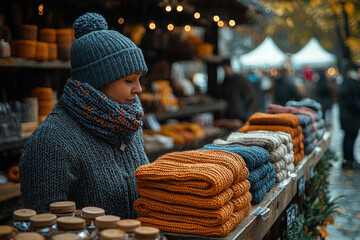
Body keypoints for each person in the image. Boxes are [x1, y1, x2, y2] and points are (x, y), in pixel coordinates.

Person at [19, 12, 149, 218]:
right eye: (129, 80)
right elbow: (44, 226)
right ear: (99, 81)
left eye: (139, 79)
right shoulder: (51, 142)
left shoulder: (128, 125)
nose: (139, 89)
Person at [220, 59, 258, 123]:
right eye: (223, 69)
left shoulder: (241, 80)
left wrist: (248, 117)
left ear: (230, 67)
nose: (225, 71)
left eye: (225, 68)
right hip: (228, 116)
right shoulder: (225, 81)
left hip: (240, 117)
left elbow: (251, 98)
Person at [337, 64, 360, 169]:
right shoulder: (352, 84)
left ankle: (348, 160)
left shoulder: (346, 83)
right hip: (351, 117)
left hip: (347, 116)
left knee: (348, 138)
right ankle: (349, 161)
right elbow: (354, 102)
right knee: (350, 138)